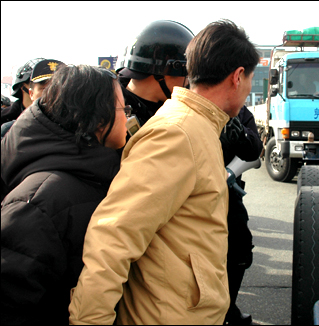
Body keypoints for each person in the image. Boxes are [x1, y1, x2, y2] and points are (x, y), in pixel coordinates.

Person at [68, 19, 260, 325]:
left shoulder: (201, 126)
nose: (249, 90)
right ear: (238, 77)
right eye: (250, 80)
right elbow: (114, 236)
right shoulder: (178, 133)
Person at [1, 65, 127, 324]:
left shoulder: (96, 175)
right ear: (98, 118)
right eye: (123, 109)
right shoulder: (37, 204)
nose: (128, 117)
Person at [221, 106, 263, 325]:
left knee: (239, 251)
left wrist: (230, 172)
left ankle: (227, 307)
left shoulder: (238, 111)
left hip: (227, 194)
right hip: (187, 196)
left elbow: (255, 149)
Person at [117, 20, 194, 126]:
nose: (188, 82)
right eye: (186, 73)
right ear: (164, 73)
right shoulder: (112, 119)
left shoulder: (116, 106)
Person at [1, 59, 65, 139]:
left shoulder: (76, 126)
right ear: (27, 89)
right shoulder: (7, 126)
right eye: (44, 88)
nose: (51, 93)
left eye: (59, 88)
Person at [1, 58, 44, 125]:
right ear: (23, 86)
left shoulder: (61, 118)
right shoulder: (5, 120)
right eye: (42, 83)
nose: (50, 88)